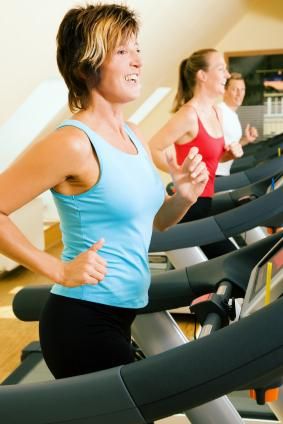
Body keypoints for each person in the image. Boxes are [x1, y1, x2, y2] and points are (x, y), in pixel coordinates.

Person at [0, 2, 208, 389]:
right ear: (85, 66)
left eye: (137, 49)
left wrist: (184, 195)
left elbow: (156, 222)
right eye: (122, 51)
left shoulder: (132, 134)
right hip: (82, 322)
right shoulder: (73, 143)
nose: (138, 62)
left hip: (123, 312)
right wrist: (56, 269)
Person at [149, 49, 244, 259]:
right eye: (221, 69)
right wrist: (178, 172)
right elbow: (152, 147)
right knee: (235, 261)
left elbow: (213, 159)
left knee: (237, 253)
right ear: (202, 75)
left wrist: (230, 154)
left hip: (206, 201)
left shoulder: (217, 112)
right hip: (190, 207)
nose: (227, 75)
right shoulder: (189, 115)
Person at [216, 72, 258, 176]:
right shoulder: (218, 111)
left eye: (242, 89)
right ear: (225, 91)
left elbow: (230, 144)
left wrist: (246, 140)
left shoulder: (233, 115)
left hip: (224, 172)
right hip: (213, 172)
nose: (240, 94)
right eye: (235, 89)